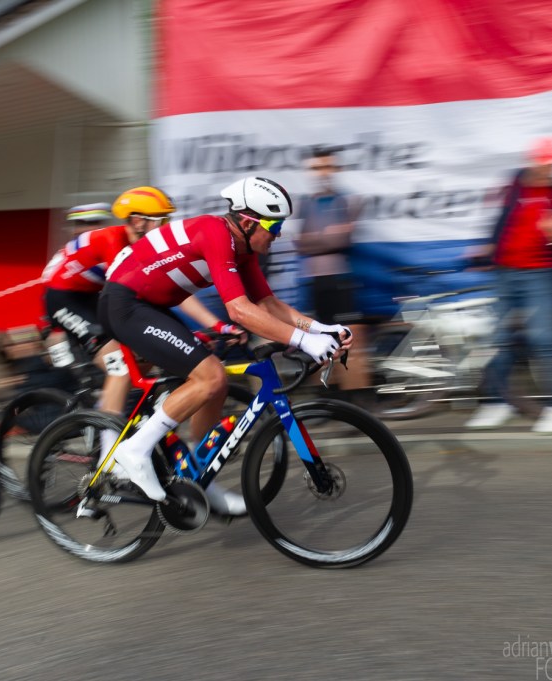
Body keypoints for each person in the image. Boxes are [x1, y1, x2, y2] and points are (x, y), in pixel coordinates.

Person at [99, 176, 352, 515]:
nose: (278, 234)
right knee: (211, 376)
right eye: (274, 225)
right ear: (247, 223)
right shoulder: (216, 233)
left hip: (149, 306)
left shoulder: (244, 248)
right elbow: (239, 310)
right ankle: (134, 450)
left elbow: (268, 305)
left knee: (215, 384)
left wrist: (321, 328)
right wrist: (305, 341)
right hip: (124, 304)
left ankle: (195, 474)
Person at [41, 187, 243, 471]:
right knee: (121, 366)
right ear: (137, 221)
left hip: (94, 295)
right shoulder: (114, 241)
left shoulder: (145, 246)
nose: (166, 225)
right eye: (161, 219)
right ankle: (109, 455)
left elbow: (165, 294)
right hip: (65, 297)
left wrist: (210, 325)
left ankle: (115, 408)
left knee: (145, 357)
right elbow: (130, 299)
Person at [465, 136, 552, 433]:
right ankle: (496, 402)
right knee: (496, 339)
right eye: (547, 163)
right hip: (504, 271)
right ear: (535, 161)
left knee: (544, 338)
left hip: (540, 273)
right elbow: (502, 219)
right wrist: (489, 247)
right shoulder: (515, 183)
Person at [295, 147, 370, 399]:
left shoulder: (348, 201)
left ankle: (356, 400)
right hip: (314, 282)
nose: (322, 173)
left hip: (339, 279)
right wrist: (326, 236)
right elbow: (301, 242)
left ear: (336, 169)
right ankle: (328, 399)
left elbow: (341, 239)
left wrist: (317, 238)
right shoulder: (305, 204)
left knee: (348, 339)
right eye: (316, 168)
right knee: (318, 339)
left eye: (327, 167)